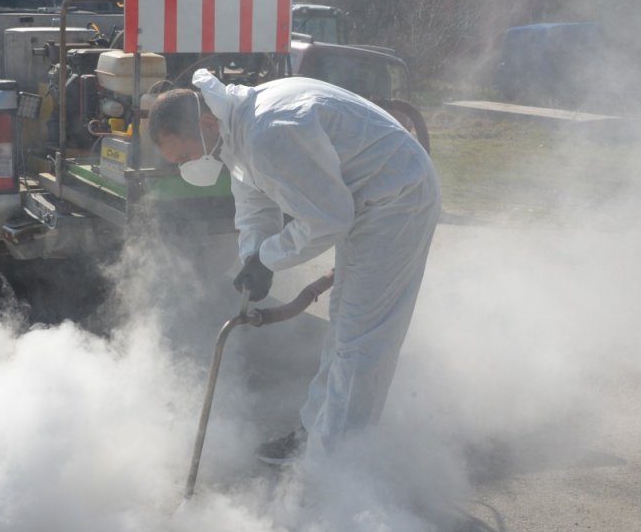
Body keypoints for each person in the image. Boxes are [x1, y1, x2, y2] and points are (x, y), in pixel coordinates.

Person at [148, 69, 441, 464]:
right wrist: (253, 256)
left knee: (362, 339)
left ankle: (337, 468)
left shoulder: (269, 131)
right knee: (344, 326)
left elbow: (328, 219)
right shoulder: (233, 130)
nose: (187, 165)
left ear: (204, 123)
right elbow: (254, 205)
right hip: (367, 201)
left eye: (184, 156)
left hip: (398, 199)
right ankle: (315, 436)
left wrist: (269, 260)